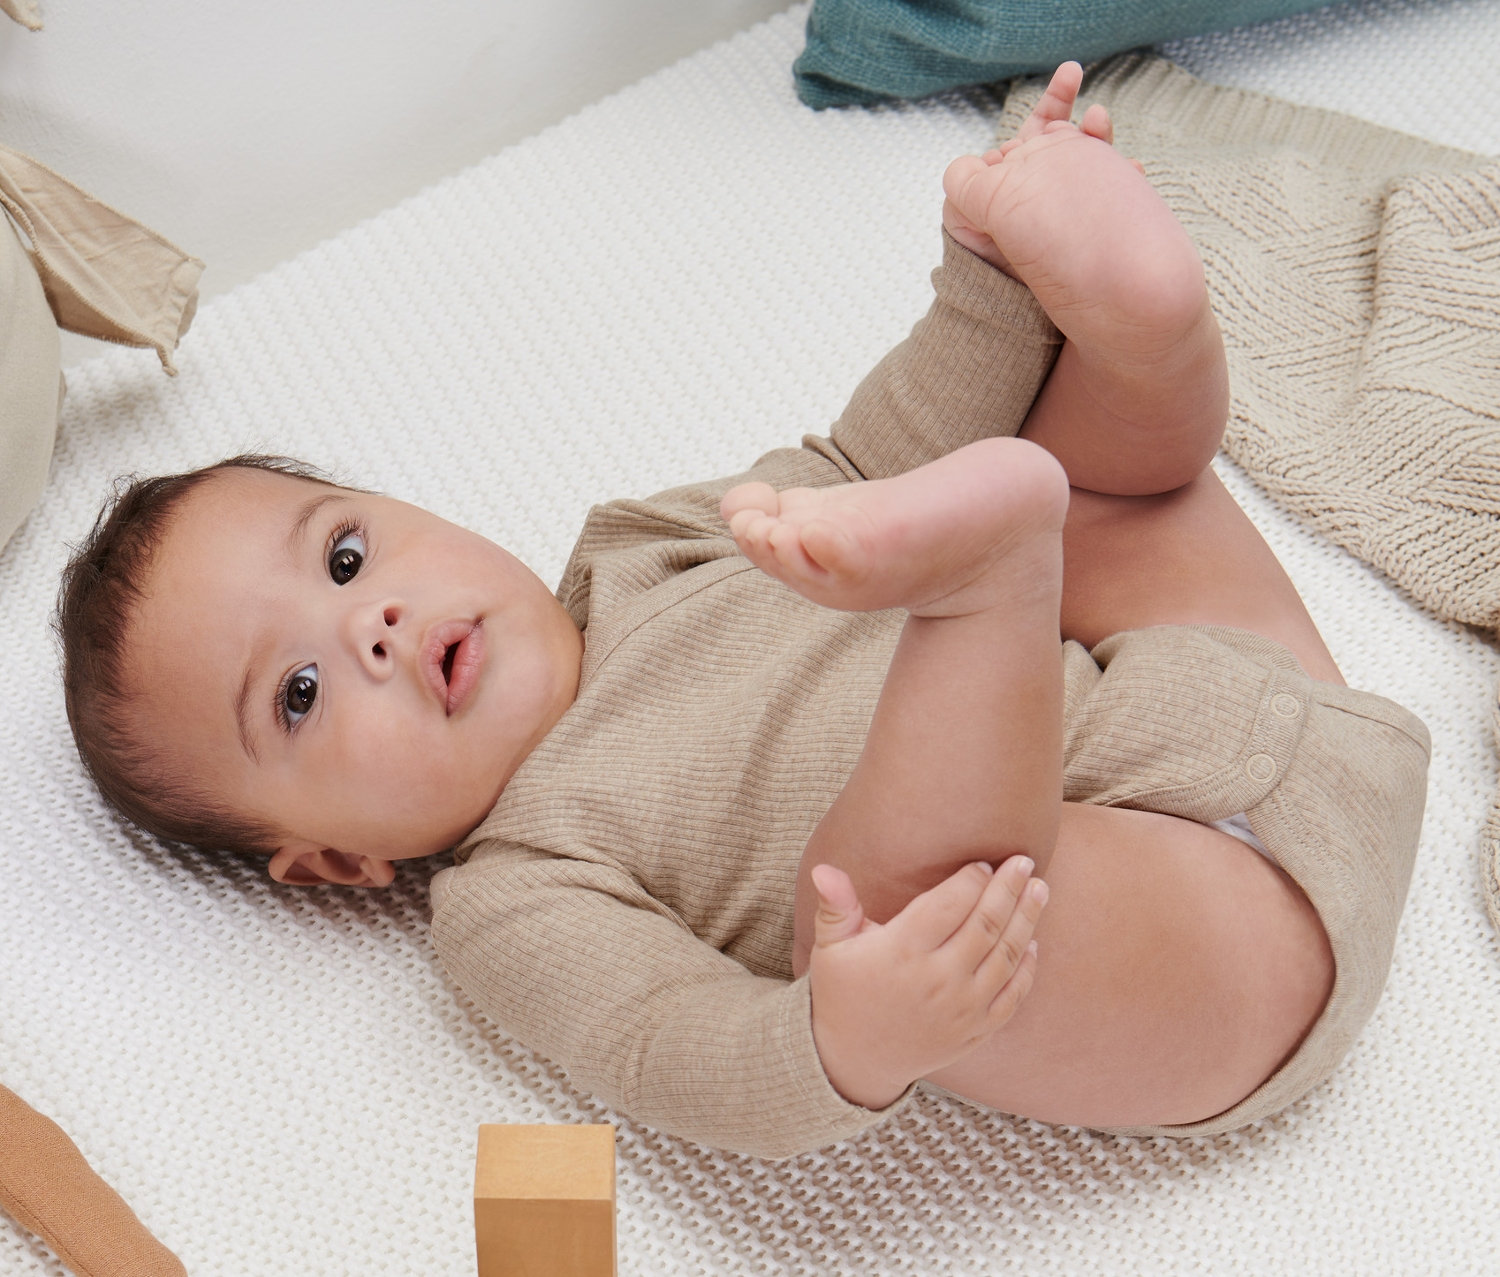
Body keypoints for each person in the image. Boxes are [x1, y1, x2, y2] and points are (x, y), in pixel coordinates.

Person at [56, 65, 1429, 1158]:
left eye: (348, 555)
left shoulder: (640, 549)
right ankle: (987, 586)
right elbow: (667, 1045)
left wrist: (983, 278)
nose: (369, 628)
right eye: (297, 695)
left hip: (1249, 698)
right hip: (1196, 952)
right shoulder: (514, 896)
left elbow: (872, 454)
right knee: (886, 907)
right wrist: (845, 1037)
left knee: (1070, 464)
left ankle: (1143, 331)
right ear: (337, 865)